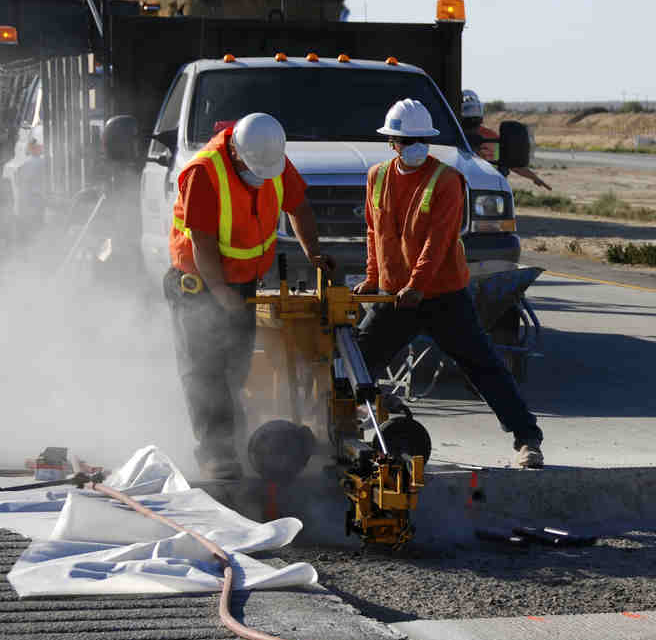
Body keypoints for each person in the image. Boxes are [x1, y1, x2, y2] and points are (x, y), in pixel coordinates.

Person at [353, 98, 545, 469]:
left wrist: (417, 285)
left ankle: (528, 440)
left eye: (420, 139)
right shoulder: (377, 176)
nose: (414, 147)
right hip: (395, 296)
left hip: (443, 296)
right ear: (392, 142)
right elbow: (374, 231)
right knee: (355, 366)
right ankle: (360, 420)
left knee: (483, 367)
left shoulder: (446, 179)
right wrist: (374, 278)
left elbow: (438, 241)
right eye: (406, 141)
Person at [166, 112, 330, 480]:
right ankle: (216, 454)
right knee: (205, 371)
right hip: (197, 282)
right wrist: (220, 291)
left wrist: (314, 254)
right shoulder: (204, 173)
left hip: (241, 282)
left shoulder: (270, 158)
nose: (262, 177)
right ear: (237, 153)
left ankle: (235, 441)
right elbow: (202, 243)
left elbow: (299, 207)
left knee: (235, 367)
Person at [460, 89, 552, 190]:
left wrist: (534, 177)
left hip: (486, 187)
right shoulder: (448, 134)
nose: (472, 114)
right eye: (468, 110)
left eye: (473, 110)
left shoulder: (490, 136)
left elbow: (510, 162)